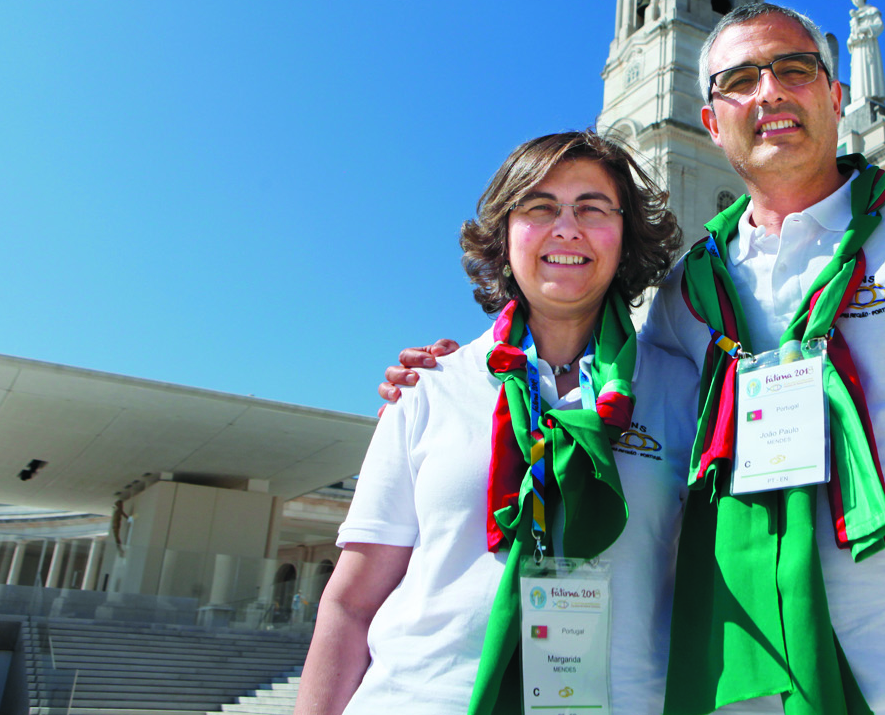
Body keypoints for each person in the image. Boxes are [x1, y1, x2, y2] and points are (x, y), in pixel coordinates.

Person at [388, 3, 885, 714]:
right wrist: (470, 368)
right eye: (740, 80)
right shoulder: (682, 295)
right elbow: (601, 410)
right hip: (746, 692)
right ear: (711, 122)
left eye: (793, 69)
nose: (769, 93)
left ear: (835, 95)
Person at [296, 131, 695, 715]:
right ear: (504, 235)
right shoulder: (428, 389)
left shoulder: (685, 394)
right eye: (539, 207)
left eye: (593, 208)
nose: (566, 228)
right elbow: (350, 604)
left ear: (626, 234)